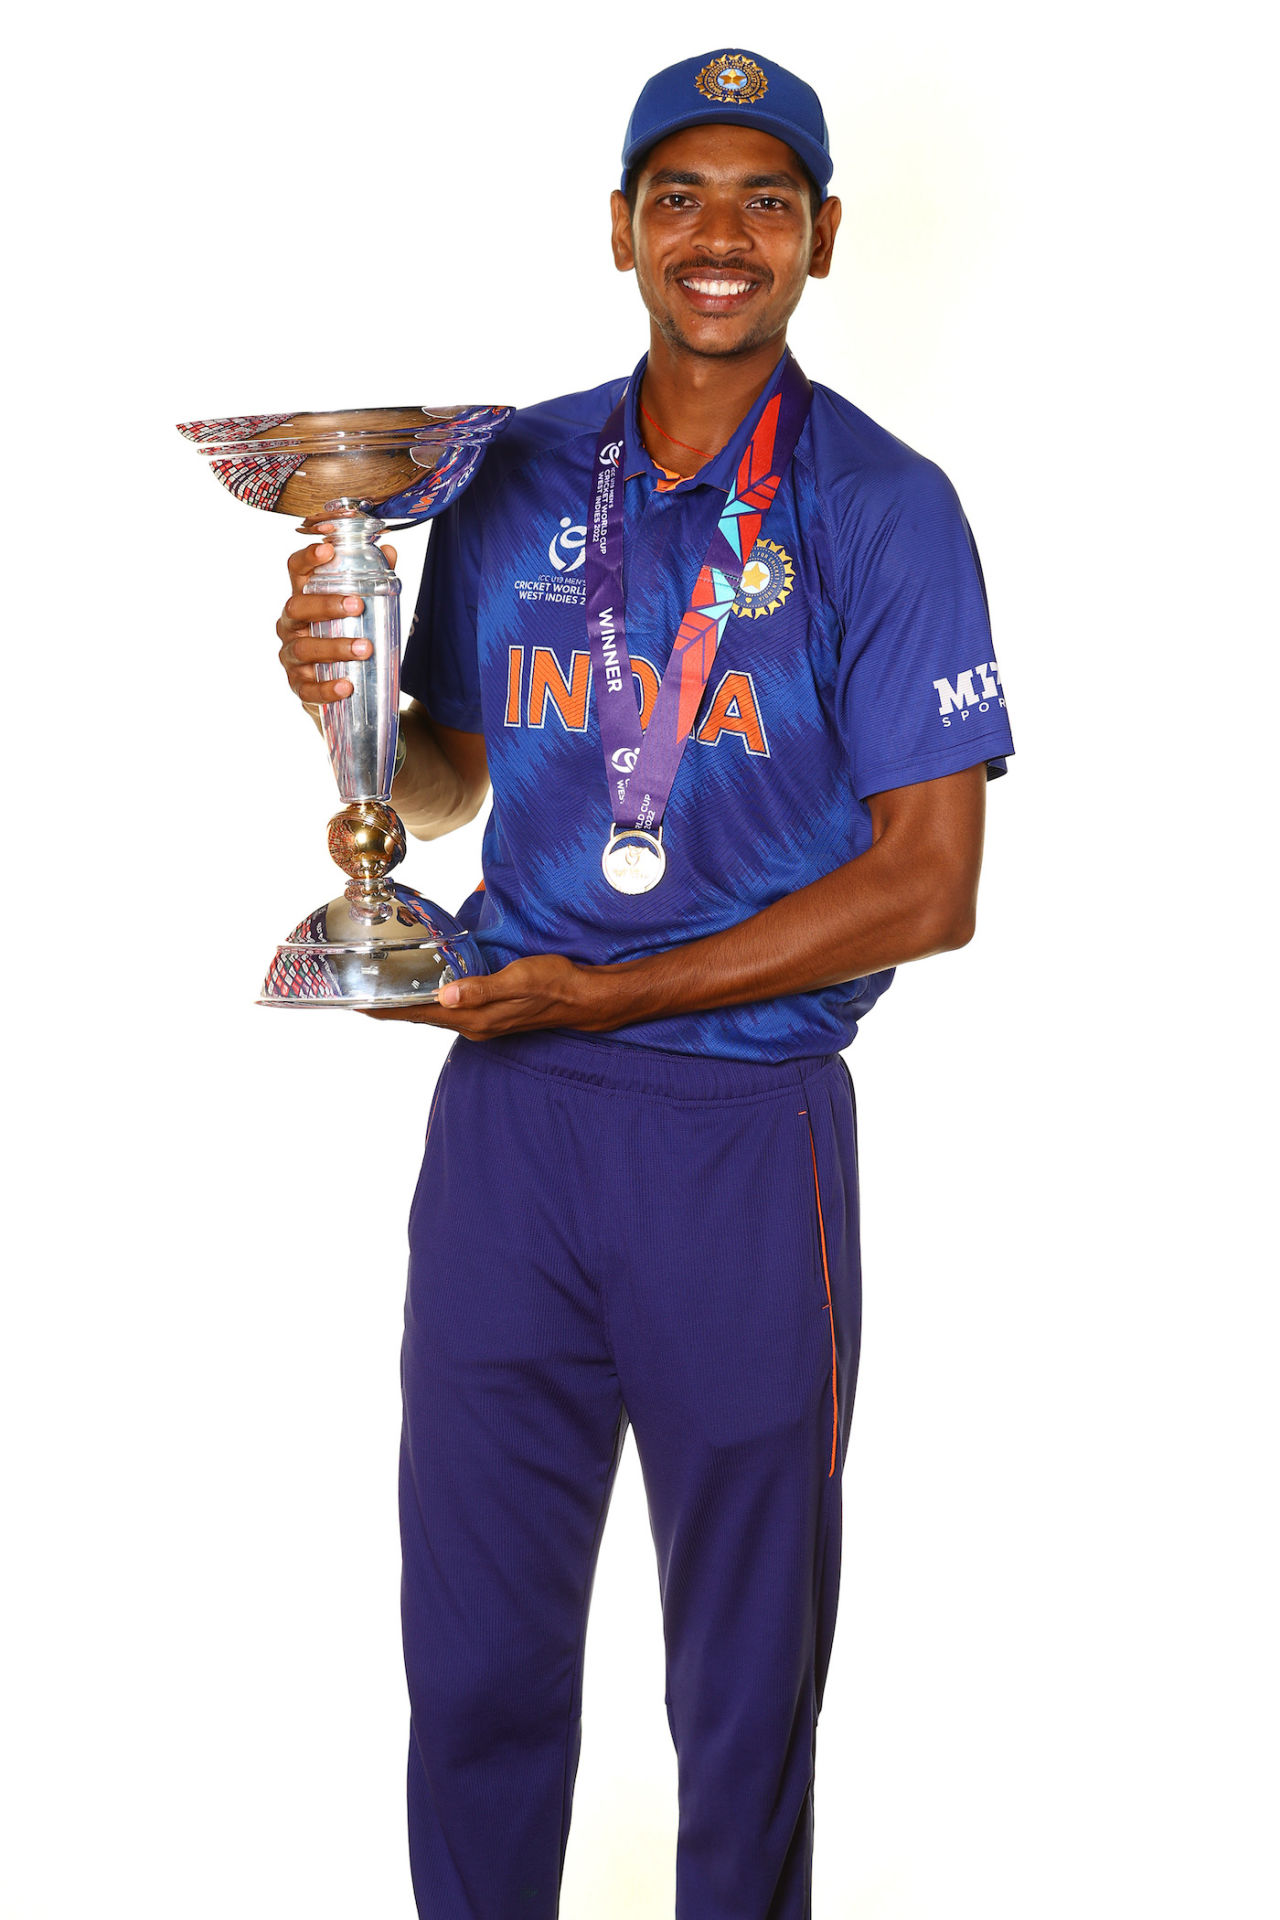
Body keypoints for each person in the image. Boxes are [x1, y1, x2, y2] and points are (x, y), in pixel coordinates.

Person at [274, 48, 1014, 1920]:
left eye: (767, 200)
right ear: (620, 228)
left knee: (745, 1685)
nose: (720, 234)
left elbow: (929, 890)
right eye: (680, 194)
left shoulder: (884, 507)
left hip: (738, 1132)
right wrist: (338, 707)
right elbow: (445, 777)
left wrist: (622, 995)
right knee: (476, 1664)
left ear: (823, 240)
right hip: (512, 1133)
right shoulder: (509, 469)